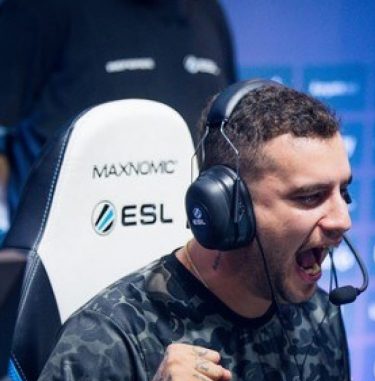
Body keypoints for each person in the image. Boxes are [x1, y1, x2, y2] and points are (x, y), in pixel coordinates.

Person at [6, 81, 375, 381]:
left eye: (343, 192)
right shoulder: (114, 331)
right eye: (310, 197)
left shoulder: (316, 314)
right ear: (228, 208)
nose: (342, 220)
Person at [0, 0, 236, 219]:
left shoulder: (208, 12)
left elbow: (230, 135)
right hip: (74, 238)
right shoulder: (39, 8)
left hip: (191, 238)